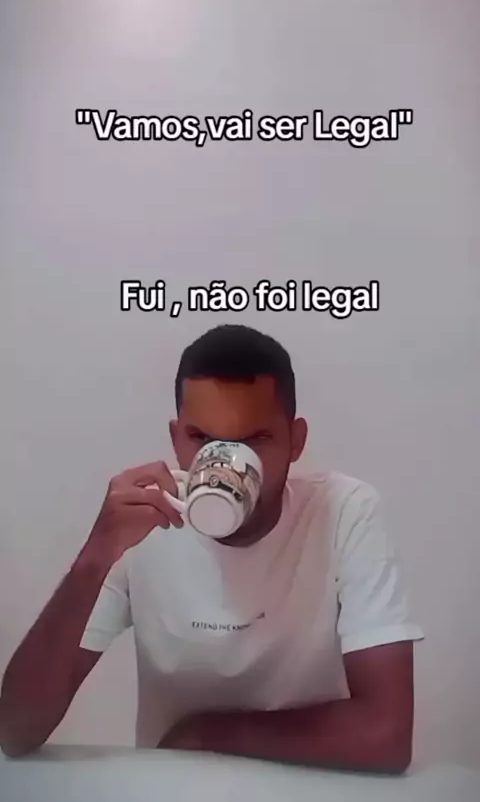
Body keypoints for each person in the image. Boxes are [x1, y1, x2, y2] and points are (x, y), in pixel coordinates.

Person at [0, 324, 423, 771]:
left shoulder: (343, 512)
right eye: (202, 439)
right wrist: (94, 558)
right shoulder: (141, 523)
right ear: (175, 438)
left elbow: (387, 737)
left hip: (307, 787)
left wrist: (206, 735)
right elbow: (14, 730)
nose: (225, 467)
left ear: (296, 441)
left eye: (255, 440)